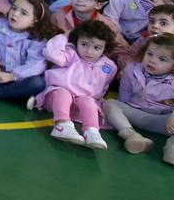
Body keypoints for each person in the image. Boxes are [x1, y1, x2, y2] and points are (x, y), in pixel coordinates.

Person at [102, 34, 174, 167]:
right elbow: (125, 91)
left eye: (162, 59)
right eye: (149, 54)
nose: (152, 61)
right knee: (110, 104)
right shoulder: (133, 68)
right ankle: (131, 135)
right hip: (137, 113)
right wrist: (122, 109)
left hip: (166, 122)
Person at [33, 20, 119, 148]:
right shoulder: (70, 54)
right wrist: (65, 36)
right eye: (84, 44)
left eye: (96, 47)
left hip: (78, 108)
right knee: (64, 93)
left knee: (88, 101)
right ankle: (62, 125)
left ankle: (92, 131)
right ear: (76, 41)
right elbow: (51, 53)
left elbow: (102, 89)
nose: (89, 51)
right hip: (56, 99)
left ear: (105, 48)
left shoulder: (109, 66)